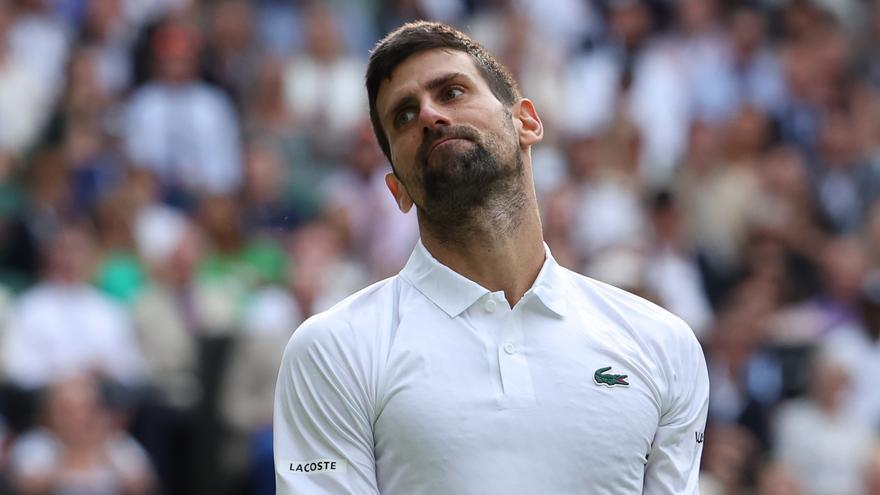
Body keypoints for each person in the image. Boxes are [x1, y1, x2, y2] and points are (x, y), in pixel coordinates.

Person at [273, 21, 709, 494]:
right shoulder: (333, 349)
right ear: (397, 190)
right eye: (403, 115)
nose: (429, 115)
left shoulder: (664, 345)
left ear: (527, 121)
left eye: (452, 91)